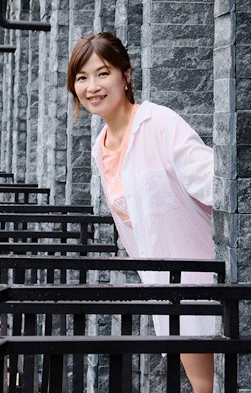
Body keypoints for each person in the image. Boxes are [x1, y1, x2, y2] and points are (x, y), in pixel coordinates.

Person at [67, 31, 215, 393]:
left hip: (204, 282)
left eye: (103, 73)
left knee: (209, 385)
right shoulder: (101, 149)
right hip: (164, 289)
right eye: (82, 78)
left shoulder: (159, 123)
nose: (92, 86)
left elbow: (216, 183)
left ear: (126, 76)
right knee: (200, 384)